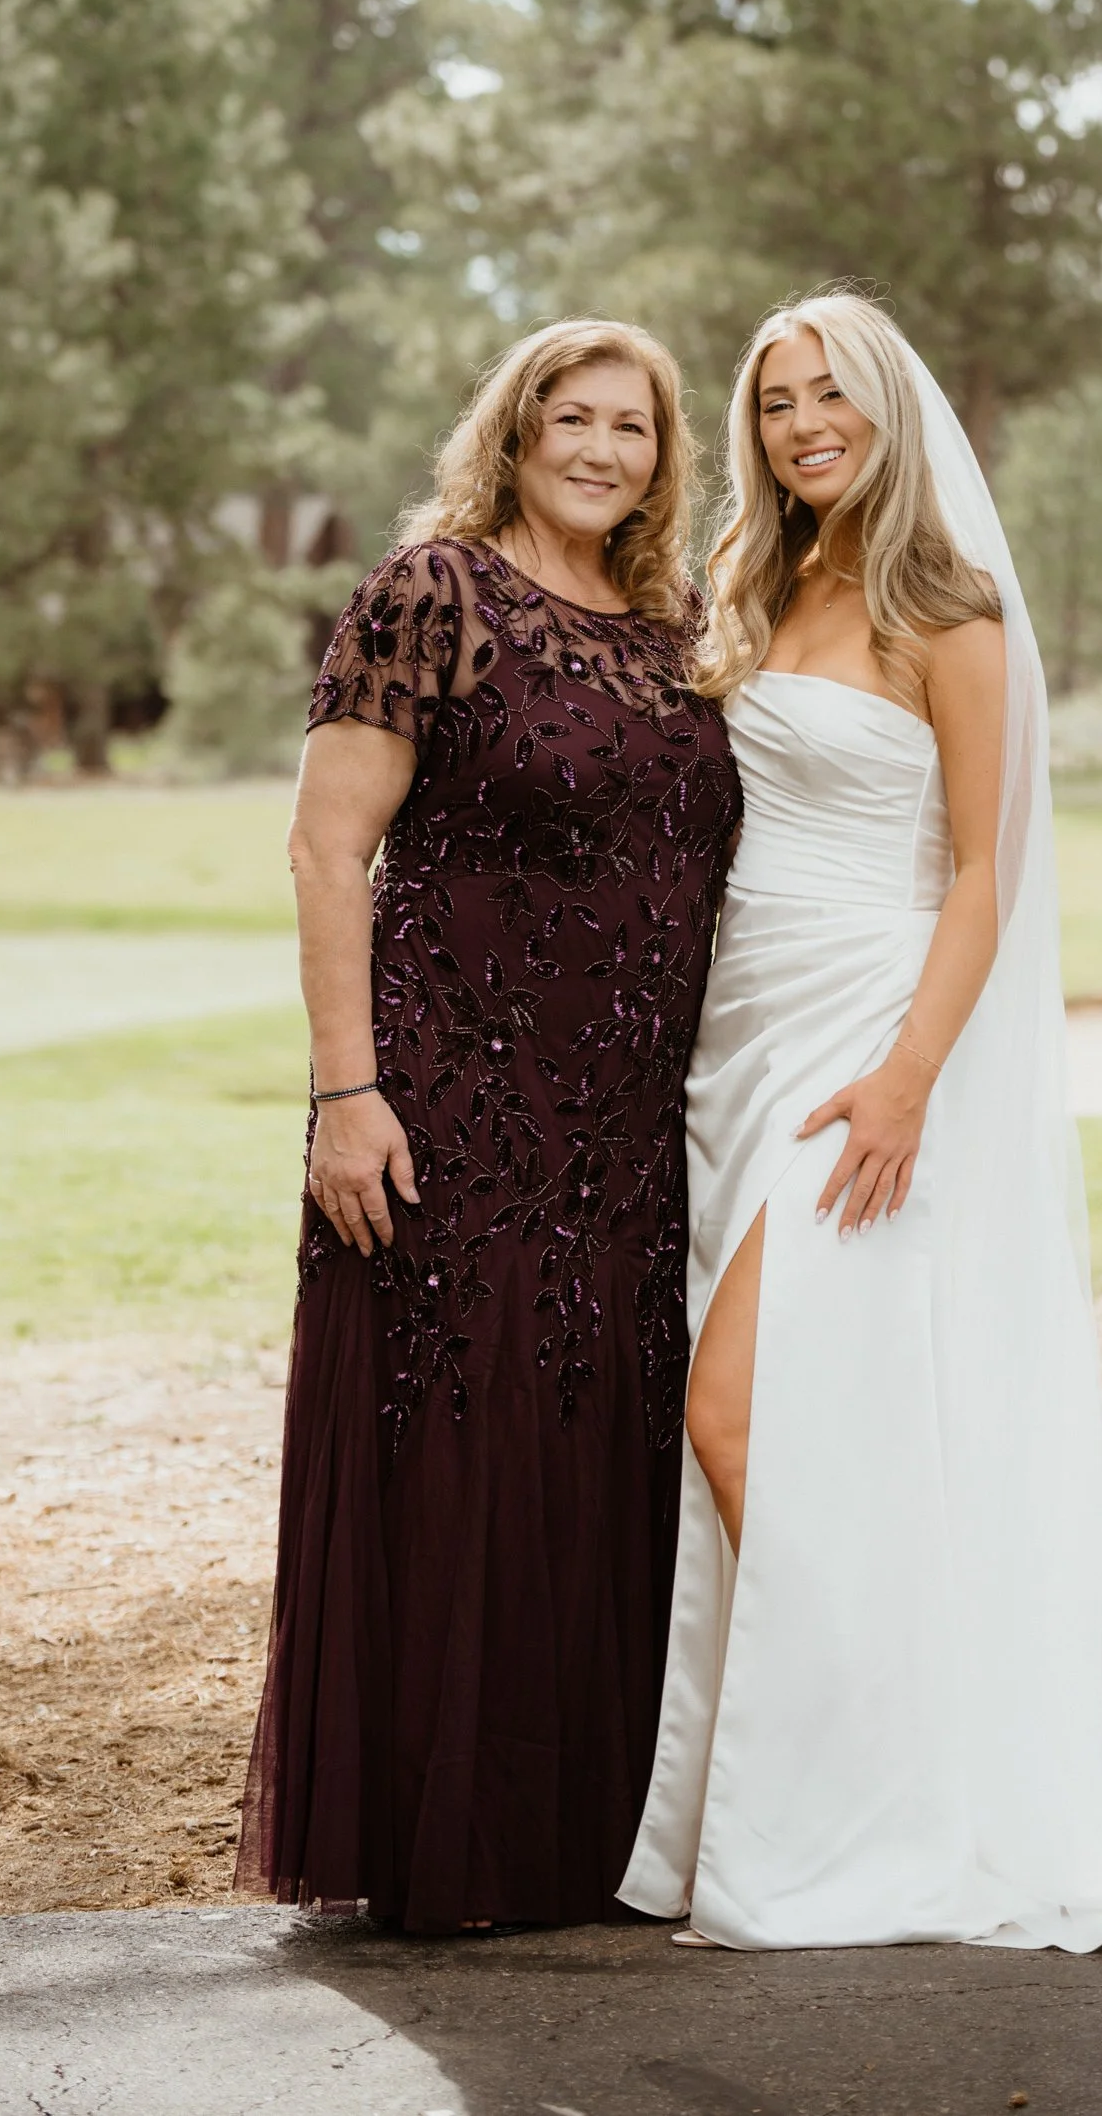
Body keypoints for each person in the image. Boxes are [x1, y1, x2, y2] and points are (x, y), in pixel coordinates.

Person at [618, 292, 1102, 1956]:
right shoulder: (759, 589)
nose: (803, 424)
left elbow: (987, 872)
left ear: (894, 409)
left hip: (866, 1035)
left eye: (832, 394)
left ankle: (894, 1781)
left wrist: (911, 1074)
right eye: (774, 403)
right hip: (740, 1035)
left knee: (737, 1413)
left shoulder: (944, 607)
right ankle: (837, 1779)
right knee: (814, 1428)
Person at [238, 319, 741, 1932]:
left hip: (633, 1116)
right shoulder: (429, 594)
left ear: (665, 458)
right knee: (468, 1456)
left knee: (600, 1450)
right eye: (569, 419)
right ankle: (454, 1848)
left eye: (634, 428)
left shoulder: (675, 625)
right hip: (453, 1096)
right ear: (511, 434)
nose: (602, 450)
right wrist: (344, 1089)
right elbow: (328, 854)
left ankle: (596, 1832)